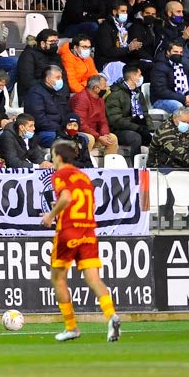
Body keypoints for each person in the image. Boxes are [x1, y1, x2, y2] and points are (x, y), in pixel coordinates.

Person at [41, 140, 121, 344]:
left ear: (58, 157)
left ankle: (71, 327)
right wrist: (59, 206)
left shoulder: (59, 175)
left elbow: (67, 198)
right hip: (88, 231)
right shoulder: (84, 176)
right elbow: (83, 203)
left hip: (68, 232)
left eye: (52, 153)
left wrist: (51, 214)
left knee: (58, 279)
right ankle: (111, 315)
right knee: (94, 279)